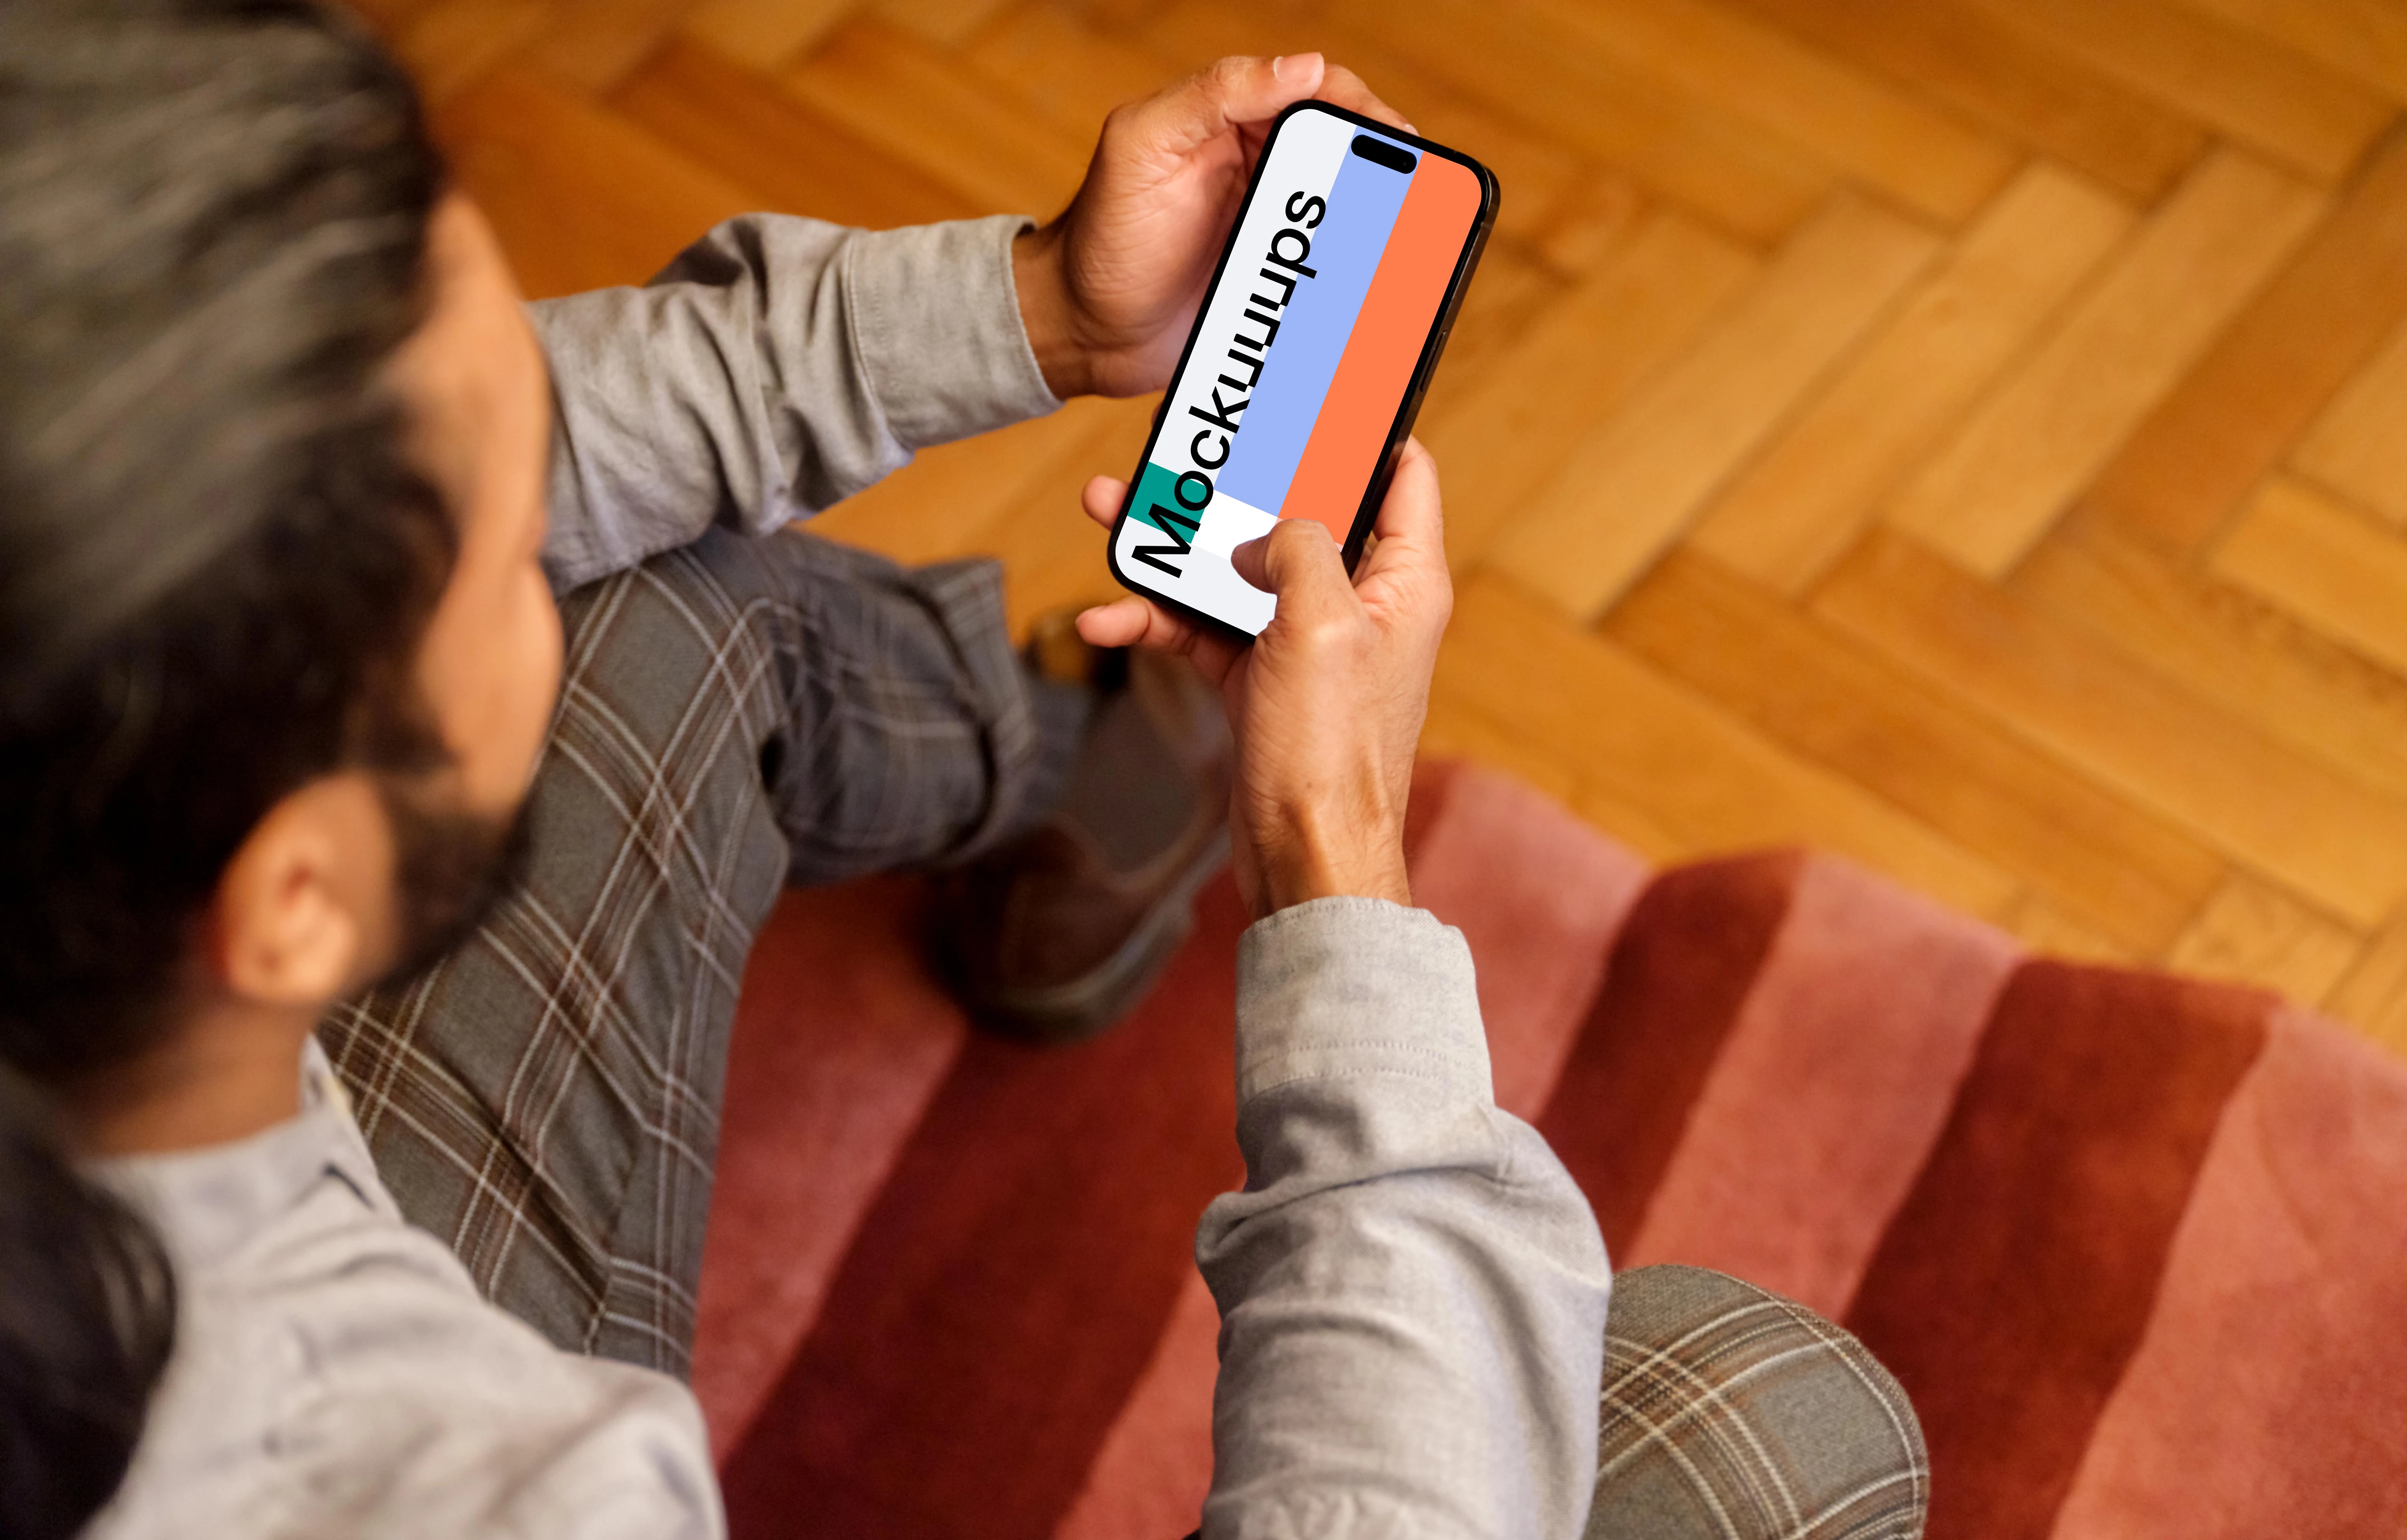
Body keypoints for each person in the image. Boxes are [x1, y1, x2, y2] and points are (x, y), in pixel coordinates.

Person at [0, 3, 1927, 1537]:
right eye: (507, 547)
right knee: (1773, 1420)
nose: (544, 534)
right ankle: (1129, 790)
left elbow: (448, 449)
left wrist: (1047, 304)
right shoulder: (497, 1491)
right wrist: (1330, 846)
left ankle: (1086, 789)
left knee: (657, 567)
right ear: (293, 898)